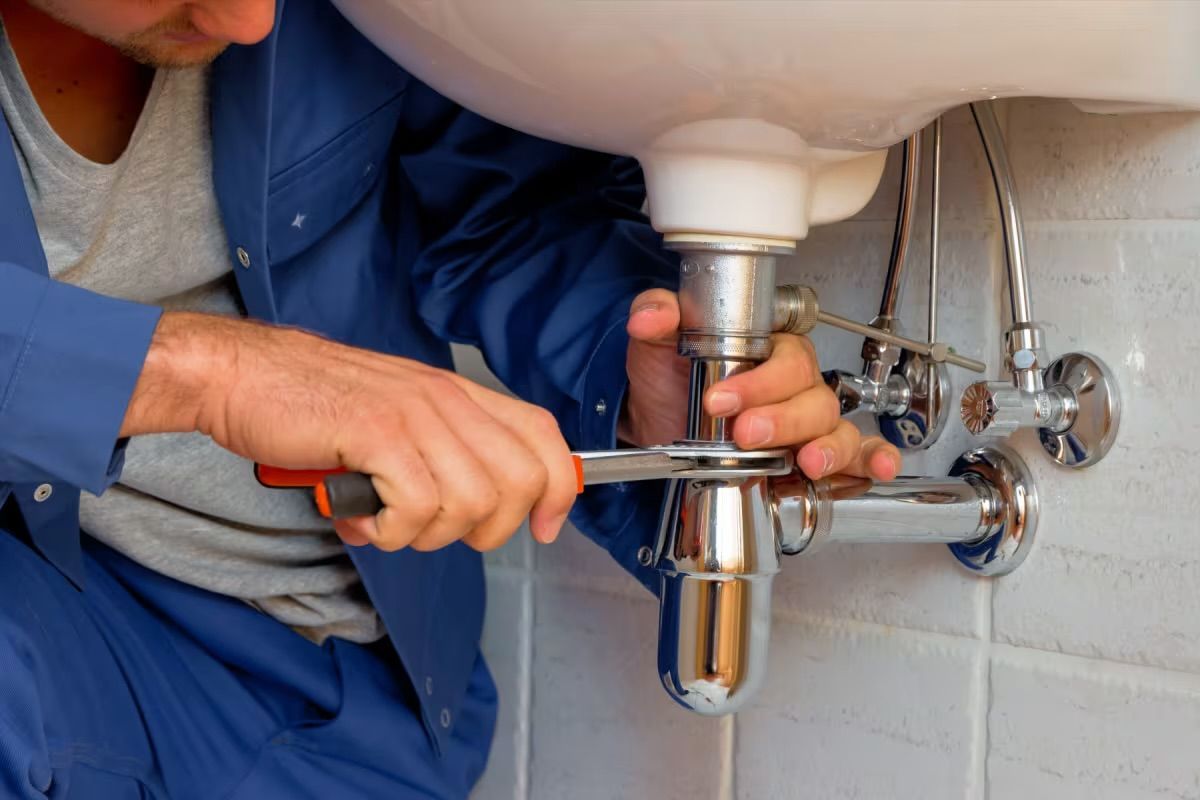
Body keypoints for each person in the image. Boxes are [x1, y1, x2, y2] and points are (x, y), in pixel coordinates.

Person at [0, 1, 902, 797]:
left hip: (339, 689)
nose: (256, 23)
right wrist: (207, 371)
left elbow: (505, 208)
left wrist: (629, 384)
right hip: (53, 623)